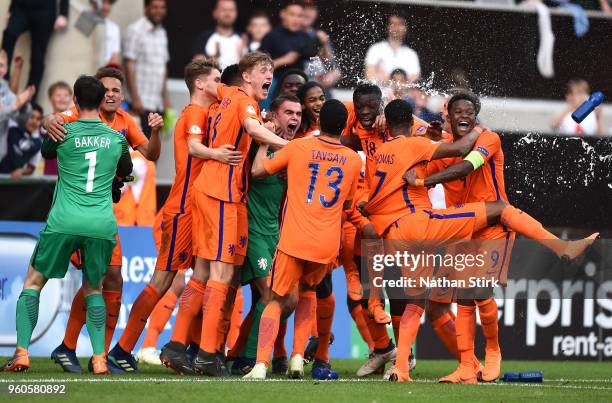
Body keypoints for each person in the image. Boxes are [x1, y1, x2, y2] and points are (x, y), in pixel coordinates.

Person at [362, 99, 598, 383]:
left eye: (467, 112)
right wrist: (424, 134)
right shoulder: (436, 143)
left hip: (491, 228)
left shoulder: (488, 137)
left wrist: (424, 179)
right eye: (453, 112)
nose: (459, 116)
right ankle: (463, 366)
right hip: (460, 229)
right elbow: (417, 137)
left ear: (475, 116)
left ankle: (494, 352)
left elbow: (466, 164)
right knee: (458, 296)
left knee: (477, 291)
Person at [103, 60, 238, 374]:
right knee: (162, 281)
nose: (221, 85)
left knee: (202, 279)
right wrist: (219, 154)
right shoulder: (193, 113)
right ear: (201, 84)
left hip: (201, 208)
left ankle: (189, 349)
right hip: (181, 211)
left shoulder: (211, 115)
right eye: (216, 80)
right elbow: (194, 149)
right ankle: (122, 349)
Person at [1, 75, 132, 374]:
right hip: (100, 223)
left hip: (63, 220)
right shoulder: (117, 139)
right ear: (101, 102)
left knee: (33, 282)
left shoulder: (62, 132)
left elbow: (46, 152)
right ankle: (99, 359)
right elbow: (127, 171)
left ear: (74, 101)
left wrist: (52, 121)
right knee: (94, 289)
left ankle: (21, 353)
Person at [170, 52, 287, 377]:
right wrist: (289, 147)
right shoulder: (243, 101)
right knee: (221, 275)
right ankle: (207, 354)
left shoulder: (226, 96)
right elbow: (252, 126)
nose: (269, 77)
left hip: (211, 190)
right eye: (264, 71)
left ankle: (178, 345)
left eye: (271, 71)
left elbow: (216, 86)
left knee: (205, 272)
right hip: (222, 193)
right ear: (246, 76)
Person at [43, 67, 163, 374]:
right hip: (73, 213)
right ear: (96, 93)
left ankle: (103, 354)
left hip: (103, 216)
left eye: (116, 91)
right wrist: (48, 120)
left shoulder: (125, 122)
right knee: (72, 279)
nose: (111, 94)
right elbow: (52, 128)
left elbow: (150, 154)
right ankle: (67, 346)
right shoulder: (74, 115)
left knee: (114, 277)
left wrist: (157, 132)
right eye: (106, 89)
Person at [244, 99, 362, 380]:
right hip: (326, 243)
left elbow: (258, 171)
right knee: (308, 295)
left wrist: (262, 143)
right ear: (343, 126)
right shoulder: (354, 159)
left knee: (274, 299)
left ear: (319, 123)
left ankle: (260, 364)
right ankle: (297, 358)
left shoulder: (298, 147)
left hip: (294, 238)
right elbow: (347, 204)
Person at [230, 95, 302, 375]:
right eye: (288, 112)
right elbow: (257, 172)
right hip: (251, 229)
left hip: (276, 233)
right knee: (270, 293)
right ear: (273, 115)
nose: (294, 118)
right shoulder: (261, 138)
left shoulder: (293, 149)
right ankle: (246, 359)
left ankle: (237, 353)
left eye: (297, 113)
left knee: (288, 299)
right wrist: (264, 141)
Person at [1, 0, 68, 100]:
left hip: (45, 11)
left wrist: (63, 13)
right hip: (21, 8)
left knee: (38, 56)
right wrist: (11, 10)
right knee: (9, 34)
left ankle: (29, 99)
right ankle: (3, 84)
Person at [123, 0, 169, 137]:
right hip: (139, 104)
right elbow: (128, 64)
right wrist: (135, 98)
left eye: (162, 8)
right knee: (137, 150)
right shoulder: (135, 30)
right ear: (146, 9)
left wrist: (165, 99)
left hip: (156, 104)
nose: (159, 11)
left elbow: (163, 68)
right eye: (155, 7)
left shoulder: (162, 33)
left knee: (152, 149)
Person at [259, 0, 316, 76]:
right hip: (276, 82)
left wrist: (323, 43)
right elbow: (259, 68)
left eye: (299, 16)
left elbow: (319, 62)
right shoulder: (271, 37)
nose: (295, 19)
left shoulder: (305, 37)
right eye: (292, 14)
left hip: (301, 81)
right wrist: (283, 60)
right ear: (283, 14)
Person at [0, 49, 35, 163]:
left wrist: (24, 104)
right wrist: (15, 106)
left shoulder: (5, 91)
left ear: (5, 68)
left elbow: (21, 120)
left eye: (1, 65)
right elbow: (12, 108)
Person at [364, 14, 420, 83]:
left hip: (403, 93)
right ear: (387, 27)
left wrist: (385, 77)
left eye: (400, 23)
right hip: (380, 93)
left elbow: (415, 79)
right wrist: (400, 81)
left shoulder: (411, 54)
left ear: (406, 27)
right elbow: (369, 75)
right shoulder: (376, 49)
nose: (396, 27)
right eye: (393, 23)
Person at [301, 1, 341, 94]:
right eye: (304, 8)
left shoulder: (321, 36)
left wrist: (325, 44)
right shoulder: (289, 36)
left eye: (311, 9)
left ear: (316, 13)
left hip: (321, 93)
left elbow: (333, 67)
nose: (307, 13)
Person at [191, 0, 243, 70]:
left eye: (231, 10)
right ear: (215, 13)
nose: (228, 14)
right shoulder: (204, 37)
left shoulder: (243, 39)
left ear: (236, 13)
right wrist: (214, 58)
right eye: (224, 10)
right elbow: (195, 66)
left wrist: (243, 56)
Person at [0, 102, 43, 179]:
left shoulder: (39, 143)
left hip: (13, 183)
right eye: (31, 117)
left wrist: (22, 171)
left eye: (38, 119)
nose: (34, 121)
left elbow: (31, 168)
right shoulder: (10, 127)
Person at [43, 81, 73, 175]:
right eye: (58, 95)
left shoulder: (74, 122)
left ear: (71, 98)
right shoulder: (45, 122)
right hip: (49, 174)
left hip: (69, 175)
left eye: (66, 95)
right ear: (50, 98)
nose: (62, 98)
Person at [91, 0, 121, 67]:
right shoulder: (84, 22)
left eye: (109, 3)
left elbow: (115, 58)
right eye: (103, 2)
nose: (106, 7)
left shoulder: (114, 28)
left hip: (103, 73)